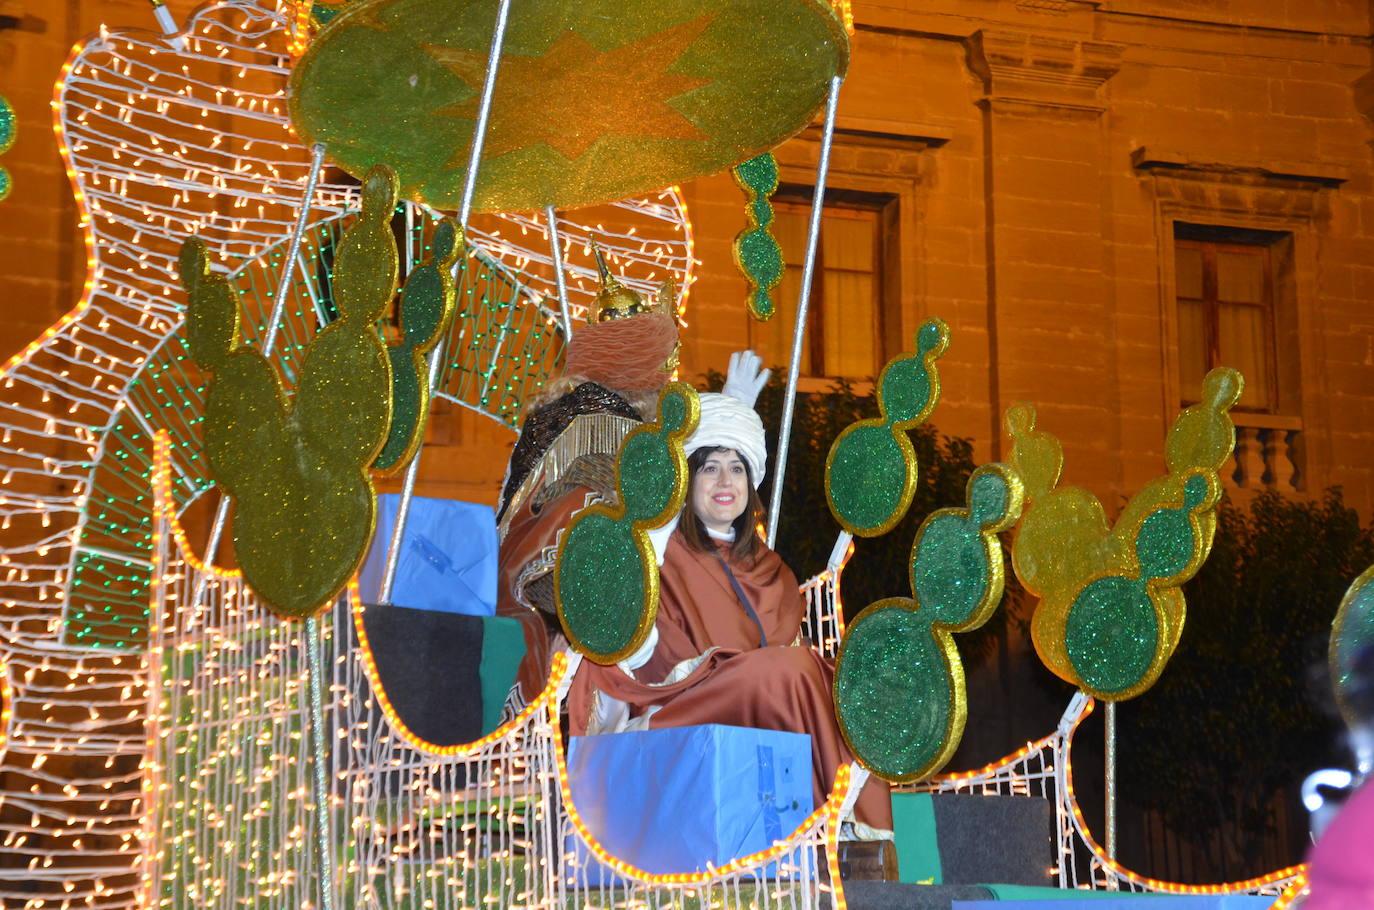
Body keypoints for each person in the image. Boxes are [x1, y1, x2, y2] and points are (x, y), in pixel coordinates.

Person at [564, 387, 894, 833]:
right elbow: (638, 658)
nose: (725, 483)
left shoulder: (773, 570)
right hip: (677, 707)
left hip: (763, 702)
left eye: (737, 469)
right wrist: (650, 549)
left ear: (751, 483)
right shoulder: (658, 551)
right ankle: (836, 827)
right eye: (710, 468)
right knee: (789, 672)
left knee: (851, 688)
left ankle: (864, 837)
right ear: (686, 480)